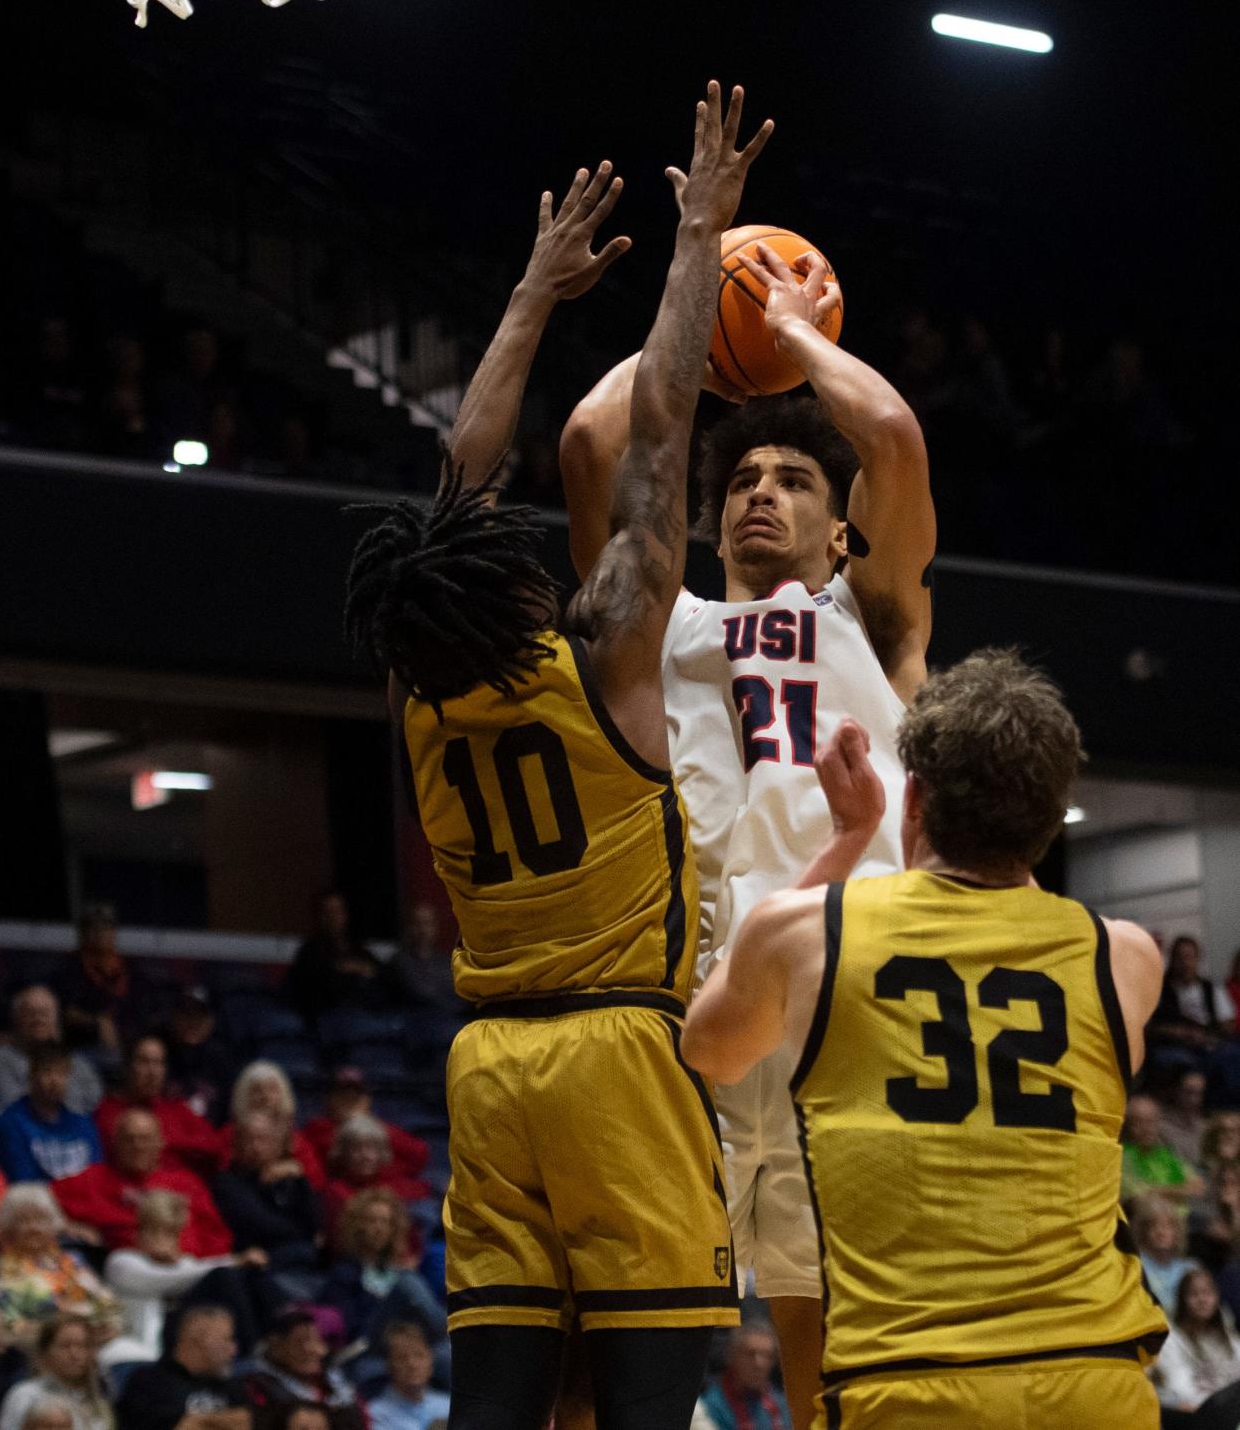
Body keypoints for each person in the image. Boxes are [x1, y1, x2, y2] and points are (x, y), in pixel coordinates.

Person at [344, 84, 772, 1428]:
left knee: (498, 1409)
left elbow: (458, 484)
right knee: (648, 1407)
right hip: (613, 1063)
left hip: (487, 1071)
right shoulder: (603, 657)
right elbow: (657, 436)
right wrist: (699, 233)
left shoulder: (420, 681)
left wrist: (532, 294)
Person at [561, 233, 934, 1429]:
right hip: (693, 1014)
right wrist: (692, 330)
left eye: (792, 482)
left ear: (842, 534)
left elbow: (893, 440)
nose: (759, 491)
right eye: (740, 482)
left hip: (847, 1003)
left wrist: (791, 340)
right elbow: (585, 444)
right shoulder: (662, 628)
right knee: (619, 1365)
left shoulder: (870, 617)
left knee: (832, 1356)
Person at [681, 649, 1168, 1428]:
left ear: (918, 800)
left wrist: (848, 838)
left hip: (909, 1384)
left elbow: (709, 1048)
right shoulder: (1124, 956)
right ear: (1047, 818)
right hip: (1094, 1380)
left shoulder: (811, 930)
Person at [101, 1191, 270, 1369]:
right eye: (152, 1231)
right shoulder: (121, 1262)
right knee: (223, 1276)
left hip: (181, 1346)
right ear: (139, 1232)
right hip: (141, 1349)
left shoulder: (186, 1265)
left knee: (249, 1277)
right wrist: (234, 1261)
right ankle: (253, 1351)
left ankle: (263, 1344)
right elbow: (166, 1280)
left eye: (168, 1233)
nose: (159, 1240)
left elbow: (189, 1273)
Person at [53, 1112, 232, 1258]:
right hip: (127, 1270)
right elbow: (37, 1200)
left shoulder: (186, 1183)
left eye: (145, 1139)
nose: (137, 1146)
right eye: (129, 1139)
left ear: (161, 1142)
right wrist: (65, 1225)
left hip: (191, 1271)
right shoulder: (92, 1180)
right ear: (115, 1144)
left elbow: (216, 1237)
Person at [320, 1189, 443, 1346]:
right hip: (366, 1343)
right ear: (357, 1225)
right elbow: (349, 1327)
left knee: (446, 1355)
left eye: (385, 1222)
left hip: (407, 1345)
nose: (379, 1229)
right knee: (408, 1282)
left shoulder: (396, 1271)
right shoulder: (344, 1274)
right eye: (372, 1221)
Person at [0, 1185, 121, 1342]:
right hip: (34, 1348)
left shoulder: (73, 1262)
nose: (33, 1228)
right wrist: (62, 1324)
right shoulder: (3, 1271)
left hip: (89, 1342)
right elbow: (10, 1327)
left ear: (54, 1224)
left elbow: (107, 1306)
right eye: (24, 1220)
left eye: (40, 1219)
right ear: (10, 1227)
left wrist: (101, 1324)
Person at [95, 1039, 220, 1178]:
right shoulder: (108, 1112)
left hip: (181, 1187)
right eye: (144, 1062)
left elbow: (215, 1149)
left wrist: (168, 1143)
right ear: (128, 1067)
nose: (152, 1072)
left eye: (158, 1063)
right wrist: (181, 1148)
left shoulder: (177, 1109)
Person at [114, 1303, 249, 1430]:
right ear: (199, 1340)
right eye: (227, 1339)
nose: (234, 1350)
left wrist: (200, 1421)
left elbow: (248, 1420)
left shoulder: (230, 1384)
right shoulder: (149, 1382)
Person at [208, 1115, 319, 1266]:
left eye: (263, 1140)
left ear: (277, 1145)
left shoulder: (288, 1177)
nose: (256, 1147)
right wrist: (302, 1233)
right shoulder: (226, 1182)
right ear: (236, 1145)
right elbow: (259, 1224)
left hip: (295, 1253)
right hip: (254, 1257)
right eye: (249, 1140)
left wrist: (300, 1180)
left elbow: (315, 1224)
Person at [300, 1072, 428, 1188]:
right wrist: (349, 1125)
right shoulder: (317, 1129)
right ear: (330, 1099)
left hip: (382, 1191)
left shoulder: (381, 1128)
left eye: (356, 1096)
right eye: (343, 1095)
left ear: (367, 1100)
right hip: (339, 1192)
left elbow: (419, 1154)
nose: (349, 1099)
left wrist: (369, 1126)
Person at [0, 1045, 103, 1185]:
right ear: (31, 1076)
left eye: (61, 1073)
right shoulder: (12, 1123)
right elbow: (22, 1180)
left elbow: (97, 1172)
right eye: (47, 1072)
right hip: (34, 1202)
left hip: (82, 1201)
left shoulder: (82, 1124)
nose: (55, 1081)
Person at [240, 1311, 362, 1430]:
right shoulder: (260, 1389)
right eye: (300, 1342)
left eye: (316, 1340)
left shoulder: (333, 1383)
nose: (311, 1349)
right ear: (276, 1346)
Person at [216, 1069, 324, 1195]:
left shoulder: (295, 1138)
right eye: (257, 1090)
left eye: (272, 1090)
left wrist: (296, 1170)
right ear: (243, 1095)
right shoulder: (229, 1135)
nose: (265, 1097)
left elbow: (317, 1182)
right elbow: (220, 1173)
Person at [52, 908, 144, 1056]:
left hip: (127, 1047)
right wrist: (98, 1022)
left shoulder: (129, 967)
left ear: (114, 932)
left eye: (106, 928)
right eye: (94, 928)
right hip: (82, 1047)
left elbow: (139, 1009)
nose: (100, 933)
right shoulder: (70, 967)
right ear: (83, 933)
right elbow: (64, 1011)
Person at [0, 1316, 115, 1430]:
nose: (74, 1354)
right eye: (65, 1346)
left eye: (82, 1346)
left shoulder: (96, 1402)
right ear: (46, 1351)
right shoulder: (26, 1396)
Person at [1151, 1268, 1240, 1416]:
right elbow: (1181, 1390)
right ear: (1182, 1299)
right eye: (1194, 1294)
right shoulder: (1171, 1339)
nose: (1202, 1300)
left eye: (1207, 1293)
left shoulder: (1227, 1335)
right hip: (1198, 1415)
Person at [0, 991, 102, 1117]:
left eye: (44, 1013)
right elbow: (9, 1104)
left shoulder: (78, 1064)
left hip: (72, 1131)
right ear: (16, 1019)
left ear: (56, 1020)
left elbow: (95, 1102)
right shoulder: (1, 1061)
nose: (38, 1020)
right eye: (30, 1013)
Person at [284, 895, 383, 1022]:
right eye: (328, 912)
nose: (334, 917)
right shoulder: (311, 950)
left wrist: (362, 968)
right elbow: (313, 985)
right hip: (329, 1018)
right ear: (320, 916)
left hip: (365, 1012)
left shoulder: (357, 949)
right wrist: (342, 970)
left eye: (338, 911)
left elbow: (380, 971)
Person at [321, 1119, 427, 1235]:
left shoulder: (395, 1187)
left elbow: (420, 1152)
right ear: (343, 1154)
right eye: (356, 1149)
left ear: (382, 1152)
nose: (365, 1156)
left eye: (372, 1149)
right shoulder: (335, 1191)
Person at [1148, 937, 1238, 1066]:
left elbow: (1228, 1023)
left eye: (1189, 957)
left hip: (1210, 1045)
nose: (1185, 963)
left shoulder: (1212, 989)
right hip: (1176, 1048)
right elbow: (1150, 1027)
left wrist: (1209, 1034)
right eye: (1180, 957)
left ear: (1197, 959)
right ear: (1172, 960)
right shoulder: (1160, 992)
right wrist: (1178, 1032)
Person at [163, 992, 237, 1127]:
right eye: (186, 1014)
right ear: (174, 1017)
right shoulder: (160, 1056)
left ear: (210, 1021)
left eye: (199, 1016)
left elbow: (229, 1118)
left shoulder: (223, 1063)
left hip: (211, 1144)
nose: (192, 1022)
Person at [697, 1324, 791, 1430]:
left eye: (766, 1355)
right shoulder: (709, 1405)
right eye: (750, 1353)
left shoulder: (782, 1403)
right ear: (731, 1355)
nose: (759, 1363)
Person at [380, 909, 462, 1017]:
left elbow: (460, 994)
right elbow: (422, 993)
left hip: (452, 1016)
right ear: (408, 927)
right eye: (417, 924)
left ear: (435, 927)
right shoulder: (400, 961)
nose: (423, 929)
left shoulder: (446, 960)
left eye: (427, 923)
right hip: (418, 1020)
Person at [1122, 1093, 1202, 1203]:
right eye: (1138, 1122)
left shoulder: (1167, 1154)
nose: (1147, 1129)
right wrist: (1181, 1190)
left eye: (1151, 1122)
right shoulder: (1122, 1157)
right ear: (1127, 1125)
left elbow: (1198, 1187)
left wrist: (1158, 1190)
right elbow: (1137, 1195)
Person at [367, 1324, 449, 1430]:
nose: (412, 1364)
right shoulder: (374, 1415)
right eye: (401, 1358)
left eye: (419, 1355)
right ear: (389, 1365)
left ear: (431, 1359)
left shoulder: (448, 1406)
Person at [1130, 1193, 1193, 1316]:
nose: (1161, 1232)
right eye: (1154, 1226)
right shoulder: (1134, 1267)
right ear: (1143, 1231)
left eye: (1168, 1226)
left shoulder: (1190, 1269)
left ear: (1178, 1231)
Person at [1161, 1067, 1208, 1167]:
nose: (1193, 1100)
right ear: (1176, 1091)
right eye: (1188, 1092)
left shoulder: (1205, 1126)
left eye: (1198, 1093)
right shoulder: (1160, 1126)